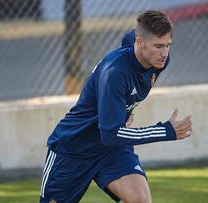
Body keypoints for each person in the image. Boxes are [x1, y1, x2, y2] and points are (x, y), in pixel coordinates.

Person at [40, 10, 193, 203]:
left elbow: (130, 36)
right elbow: (111, 133)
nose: (164, 54)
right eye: (158, 46)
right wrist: (166, 131)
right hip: (74, 149)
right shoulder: (114, 73)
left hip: (111, 150)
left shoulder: (155, 59)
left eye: (168, 45)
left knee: (140, 200)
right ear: (140, 42)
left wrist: (120, 108)